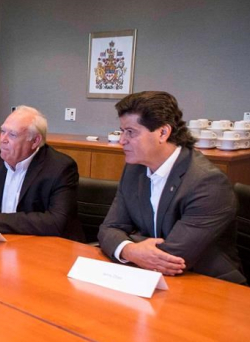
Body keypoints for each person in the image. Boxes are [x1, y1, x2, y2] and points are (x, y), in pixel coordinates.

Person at [98, 91, 246, 284]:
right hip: (152, 277)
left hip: (207, 284)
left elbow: (173, 256)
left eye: (131, 132)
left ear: (163, 132)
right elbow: (108, 228)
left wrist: (126, 242)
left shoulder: (208, 183)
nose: (122, 140)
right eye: (122, 131)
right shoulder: (134, 170)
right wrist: (130, 250)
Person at [0, 106, 84, 241]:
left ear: (35, 141)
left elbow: (56, 221)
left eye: (12, 135)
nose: (3, 139)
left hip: (43, 247)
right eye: (2, 131)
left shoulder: (60, 168)